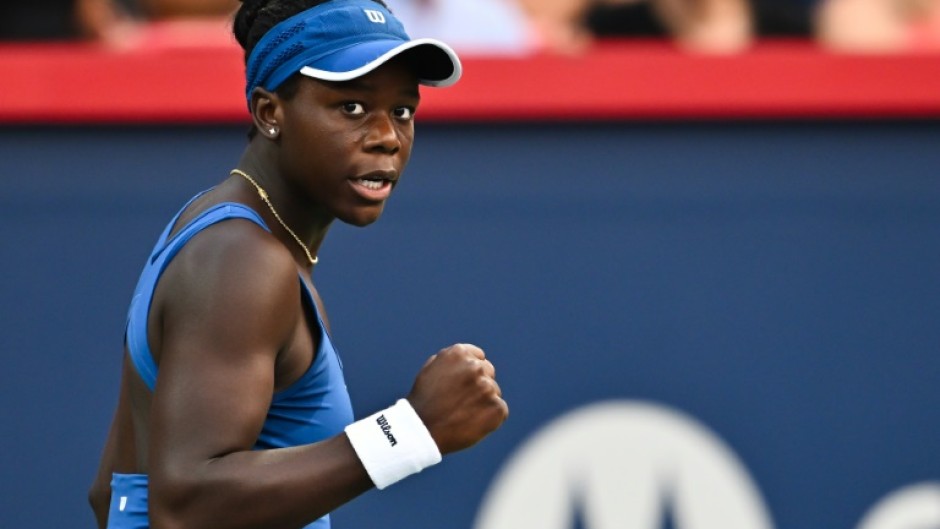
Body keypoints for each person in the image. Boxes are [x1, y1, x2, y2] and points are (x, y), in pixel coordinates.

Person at [86, 0, 509, 527]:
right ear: (270, 113)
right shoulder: (242, 260)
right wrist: (411, 430)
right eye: (351, 107)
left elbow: (111, 491)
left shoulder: (226, 231)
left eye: (403, 111)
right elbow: (186, 505)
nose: (387, 136)